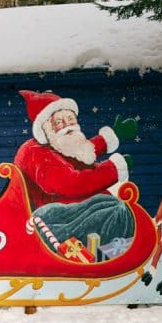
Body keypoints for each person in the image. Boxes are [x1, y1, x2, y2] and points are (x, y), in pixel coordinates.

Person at [14, 90, 138, 255]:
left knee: (114, 206)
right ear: (46, 128)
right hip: (52, 218)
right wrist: (114, 168)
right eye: (59, 122)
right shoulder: (36, 153)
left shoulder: (56, 143)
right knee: (115, 210)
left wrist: (111, 137)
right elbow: (71, 184)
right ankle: (107, 256)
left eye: (71, 119)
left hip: (69, 207)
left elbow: (78, 151)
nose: (68, 125)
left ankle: (112, 253)